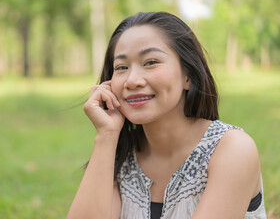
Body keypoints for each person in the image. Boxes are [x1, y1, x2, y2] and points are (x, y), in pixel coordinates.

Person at [67, 12, 266, 219]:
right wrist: (106, 136)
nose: (132, 80)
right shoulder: (122, 158)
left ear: (188, 75)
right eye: (121, 67)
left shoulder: (232, 149)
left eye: (151, 62)